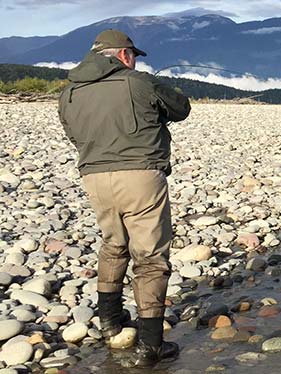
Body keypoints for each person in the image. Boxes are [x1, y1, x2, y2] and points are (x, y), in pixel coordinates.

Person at [58, 29, 191, 367]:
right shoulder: (138, 82)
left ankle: (110, 324)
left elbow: (73, 134)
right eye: (133, 56)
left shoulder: (69, 92)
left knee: (113, 244)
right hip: (141, 176)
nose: (134, 62)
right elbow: (181, 109)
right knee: (150, 257)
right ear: (124, 55)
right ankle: (151, 346)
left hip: (95, 178)